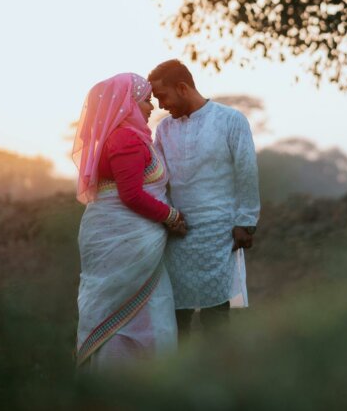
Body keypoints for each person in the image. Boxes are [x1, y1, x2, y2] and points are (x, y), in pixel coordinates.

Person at [73, 73, 187, 369]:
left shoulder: (129, 137)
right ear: (128, 104)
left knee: (139, 312)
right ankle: (129, 387)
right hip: (124, 242)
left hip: (129, 242)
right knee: (141, 317)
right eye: (146, 100)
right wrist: (172, 217)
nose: (151, 107)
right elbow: (131, 195)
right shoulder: (125, 138)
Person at [149, 59, 260, 335]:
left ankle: (216, 374)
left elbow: (246, 171)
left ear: (183, 87)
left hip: (220, 234)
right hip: (177, 234)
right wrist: (168, 217)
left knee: (216, 318)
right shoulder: (163, 130)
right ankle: (180, 375)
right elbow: (159, 182)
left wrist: (246, 222)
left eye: (163, 97)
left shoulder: (231, 120)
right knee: (177, 317)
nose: (161, 106)